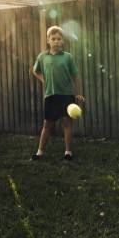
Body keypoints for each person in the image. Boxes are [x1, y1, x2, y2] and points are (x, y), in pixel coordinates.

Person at [31, 26, 85, 161]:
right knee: (47, 124)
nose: (56, 41)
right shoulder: (43, 57)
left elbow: (75, 75)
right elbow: (35, 71)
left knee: (67, 123)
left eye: (59, 39)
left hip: (67, 95)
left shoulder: (67, 57)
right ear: (48, 40)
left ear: (62, 41)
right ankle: (39, 152)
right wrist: (45, 80)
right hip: (50, 95)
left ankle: (68, 152)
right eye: (53, 39)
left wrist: (77, 93)